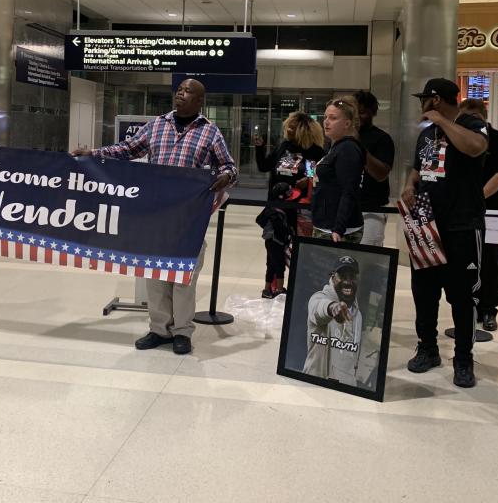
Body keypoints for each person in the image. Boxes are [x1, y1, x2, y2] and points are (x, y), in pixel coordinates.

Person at [73, 79, 236, 355]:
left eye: (188, 92)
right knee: (156, 273)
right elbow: (127, 149)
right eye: (179, 90)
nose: (180, 95)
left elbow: (230, 167)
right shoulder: (157, 125)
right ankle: (159, 329)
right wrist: (93, 154)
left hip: (188, 218)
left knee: (184, 278)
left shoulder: (210, 132)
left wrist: (226, 177)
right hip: (156, 214)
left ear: (199, 101)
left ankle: (182, 332)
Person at [401, 78, 488, 388]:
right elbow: (418, 167)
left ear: (435, 100)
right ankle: (428, 348)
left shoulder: (470, 124)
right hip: (426, 225)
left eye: (424, 99)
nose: (421, 105)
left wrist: (441, 120)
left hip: (461, 226)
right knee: (424, 292)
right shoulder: (426, 133)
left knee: (462, 297)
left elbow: (476, 148)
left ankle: (463, 358)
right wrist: (410, 185)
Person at [459, 98, 498, 332]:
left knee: (491, 260)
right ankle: (468, 306)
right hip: (464, 209)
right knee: (466, 259)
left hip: (495, 208)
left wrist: (476, 198)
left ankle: (489, 309)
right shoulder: (459, 139)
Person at [254, 111, 324, 292]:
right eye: (288, 126)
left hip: (300, 210)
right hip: (276, 208)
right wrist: (259, 148)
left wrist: (307, 180)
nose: (288, 129)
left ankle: (298, 287)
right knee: (273, 247)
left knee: (298, 251)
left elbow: (314, 176)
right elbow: (264, 166)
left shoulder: (314, 151)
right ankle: (272, 287)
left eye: (293, 126)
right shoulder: (283, 146)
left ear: (304, 129)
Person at [311, 97, 365, 244]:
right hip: (326, 224)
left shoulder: (348, 149)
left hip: (337, 230)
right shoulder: (334, 147)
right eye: (325, 117)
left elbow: (349, 190)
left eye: (333, 118)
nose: (326, 122)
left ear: (347, 123)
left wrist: (338, 228)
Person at [303, 258, 363, 386]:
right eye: (342, 276)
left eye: (352, 276)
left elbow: (354, 355)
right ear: (333, 277)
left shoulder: (358, 315)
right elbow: (318, 309)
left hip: (345, 388)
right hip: (316, 384)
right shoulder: (319, 297)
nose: (347, 281)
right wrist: (332, 308)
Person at [354, 90, 394, 247]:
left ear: (373, 112)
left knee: (369, 254)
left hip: (372, 207)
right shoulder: (341, 138)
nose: (357, 116)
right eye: (354, 112)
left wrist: (359, 145)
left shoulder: (382, 138)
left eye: (362, 112)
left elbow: (381, 174)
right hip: (345, 205)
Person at [254, 182, 297, 298]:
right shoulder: (276, 212)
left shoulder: (271, 207)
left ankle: (267, 289)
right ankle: (279, 289)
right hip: (275, 242)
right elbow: (281, 229)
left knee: (271, 265)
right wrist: (289, 234)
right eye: (288, 193)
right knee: (279, 265)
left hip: (271, 241)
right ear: (281, 196)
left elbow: (259, 219)